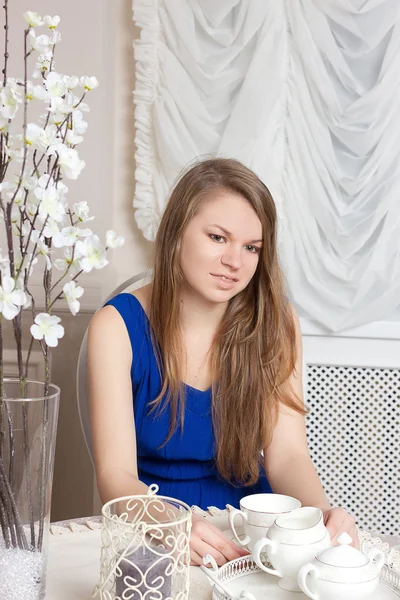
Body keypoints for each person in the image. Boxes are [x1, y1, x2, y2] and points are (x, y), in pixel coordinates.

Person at [87, 157, 357, 566]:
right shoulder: (116, 326)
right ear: (177, 233)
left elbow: (287, 455)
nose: (236, 261)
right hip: (153, 529)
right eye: (218, 237)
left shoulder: (277, 321)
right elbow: (115, 475)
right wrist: (172, 524)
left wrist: (321, 517)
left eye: (251, 247)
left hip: (251, 532)